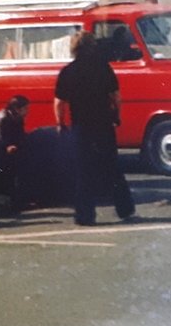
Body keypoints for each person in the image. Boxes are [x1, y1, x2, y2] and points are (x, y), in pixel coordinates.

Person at [53, 30, 136, 226]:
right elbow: (116, 96)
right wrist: (117, 114)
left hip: (81, 125)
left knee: (83, 171)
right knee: (112, 166)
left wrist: (60, 122)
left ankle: (85, 215)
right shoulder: (103, 68)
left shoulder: (68, 71)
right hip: (103, 123)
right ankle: (125, 208)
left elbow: (58, 102)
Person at [0, 94, 30, 206]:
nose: (27, 111)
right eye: (25, 108)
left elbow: (20, 135)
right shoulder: (2, 119)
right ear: (17, 109)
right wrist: (8, 146)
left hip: (10, 148)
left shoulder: (17, 118)